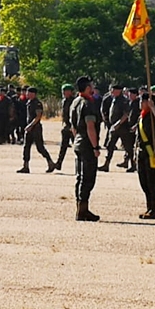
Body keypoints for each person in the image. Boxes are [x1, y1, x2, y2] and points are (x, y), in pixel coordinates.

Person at [71, 76, 102, 222]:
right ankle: (83, 210)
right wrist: (95, 146)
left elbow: (73, 126)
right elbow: (90, 127)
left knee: (79, 177)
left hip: (78, 142)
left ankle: (80, 207)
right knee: (88, 177)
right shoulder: (87, 104)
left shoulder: (75, 102)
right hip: (87, 144)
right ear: (87, 88)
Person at [135, 92, 155, 219]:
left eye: (143, 101)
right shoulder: (141, 116)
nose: (141, 104)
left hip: (152, 152)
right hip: (142, 152)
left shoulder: (152, 115)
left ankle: (154, 209)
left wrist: (152, 107)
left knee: (153, 181)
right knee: (144, 182)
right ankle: (149, 207)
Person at [17, 87, 55, 174]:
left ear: (34, 94)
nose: (27, 94)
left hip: (36, 128)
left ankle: (50, 163)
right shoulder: (29, 102)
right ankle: (25, 166)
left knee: (40, 147)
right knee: (26, 147)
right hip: (29, 128)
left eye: (29, 93)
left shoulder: (37, 103)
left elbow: (38, 116)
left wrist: (30, 125)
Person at [55, 84, 76, 171]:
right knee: (63, 146)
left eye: (66, 91)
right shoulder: (64, 101)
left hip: (73, 127)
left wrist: (73, 126)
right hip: (66, 127)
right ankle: (59, 163)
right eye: (63, 91)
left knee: (77, 147)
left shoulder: (75, 101)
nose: (64, 93)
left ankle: (79, 166)